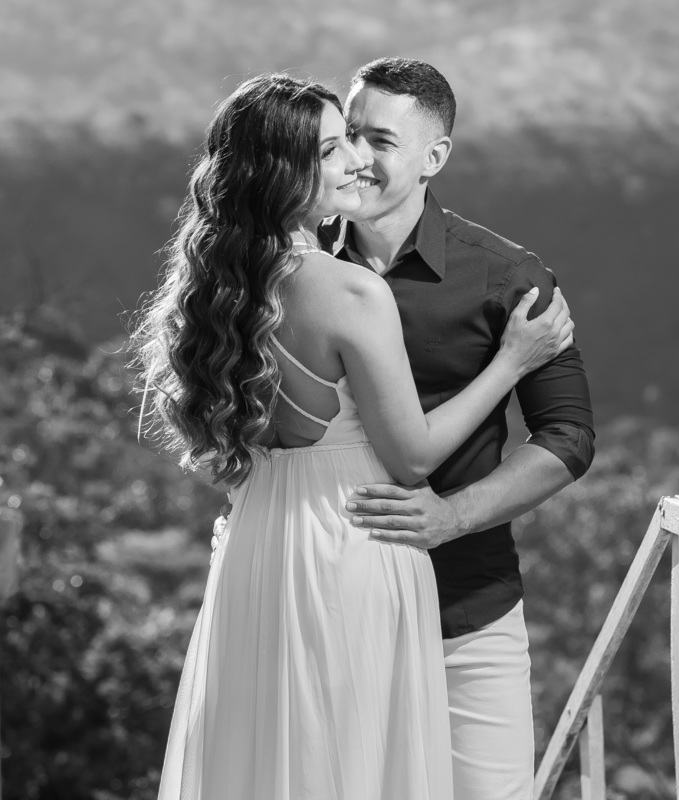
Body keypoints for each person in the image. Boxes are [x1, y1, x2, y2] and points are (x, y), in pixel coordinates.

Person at [135, 73, 575, 800]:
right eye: (336, 148)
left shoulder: (231, 285)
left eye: (365, 142)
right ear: (288, 172)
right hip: (351, 540)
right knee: (357, 765)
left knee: (274, 763)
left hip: (261, 545)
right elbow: (414, 457)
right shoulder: (349, 291)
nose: (353, 164)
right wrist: (511, 362)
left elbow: (238, 444)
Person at [321, 58, 595, 799]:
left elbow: (567, 436)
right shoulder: (295, 267)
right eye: (347, 135)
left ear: (434, 157)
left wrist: (452, 517)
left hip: (466, 612)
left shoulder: (509, 276)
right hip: (328, 610)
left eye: (380, 140)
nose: (354, 158)